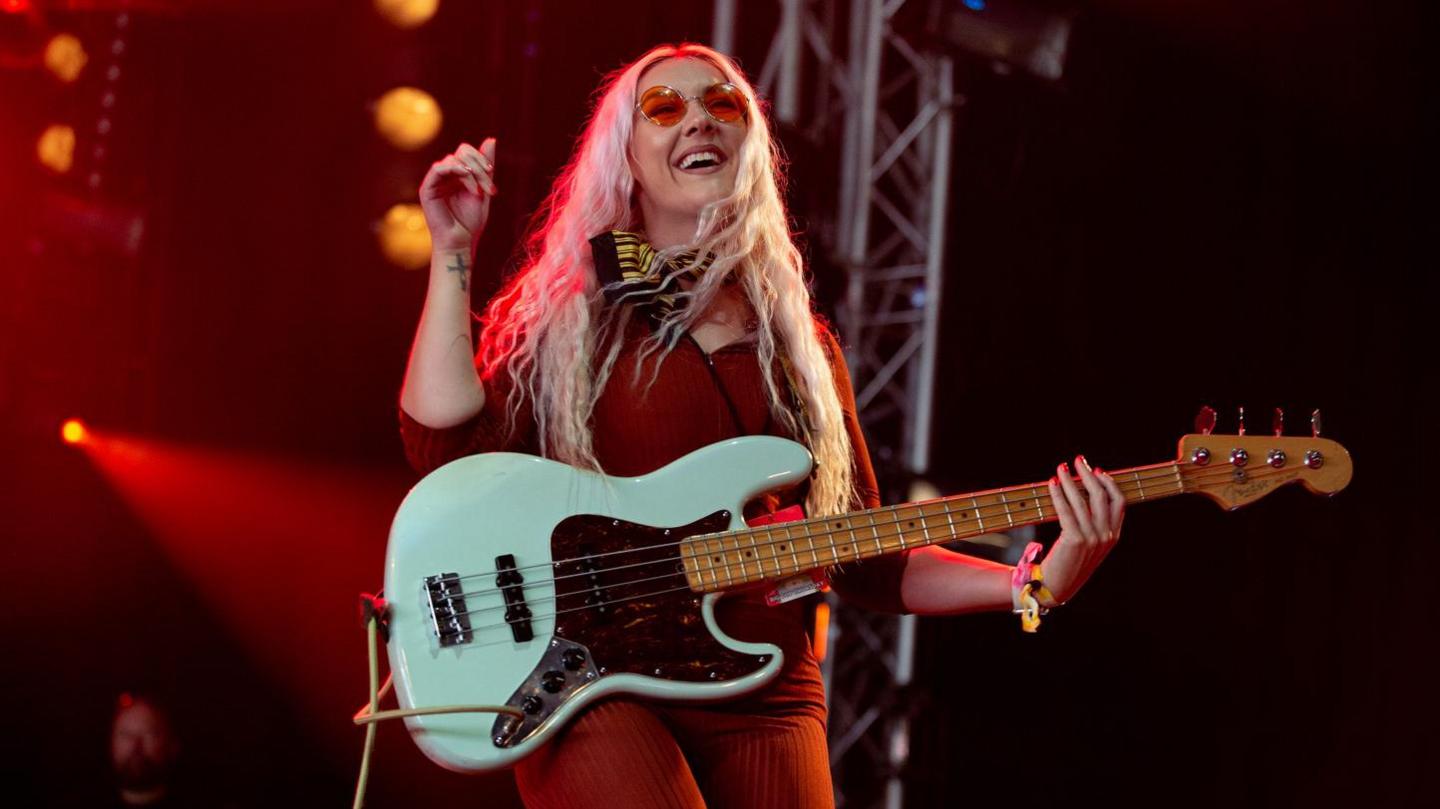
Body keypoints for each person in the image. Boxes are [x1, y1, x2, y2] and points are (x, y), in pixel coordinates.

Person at [399, 42, 1124, 809]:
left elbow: (866, 554)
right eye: (664, 108)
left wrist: (1032, 583)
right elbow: (440, 447)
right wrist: (452, 253)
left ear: (751, 147)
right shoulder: (571, 322)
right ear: (626, 157)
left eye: (724, 104)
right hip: (590, 680)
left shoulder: (801, 348)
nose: (699, 121)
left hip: (764, 691)